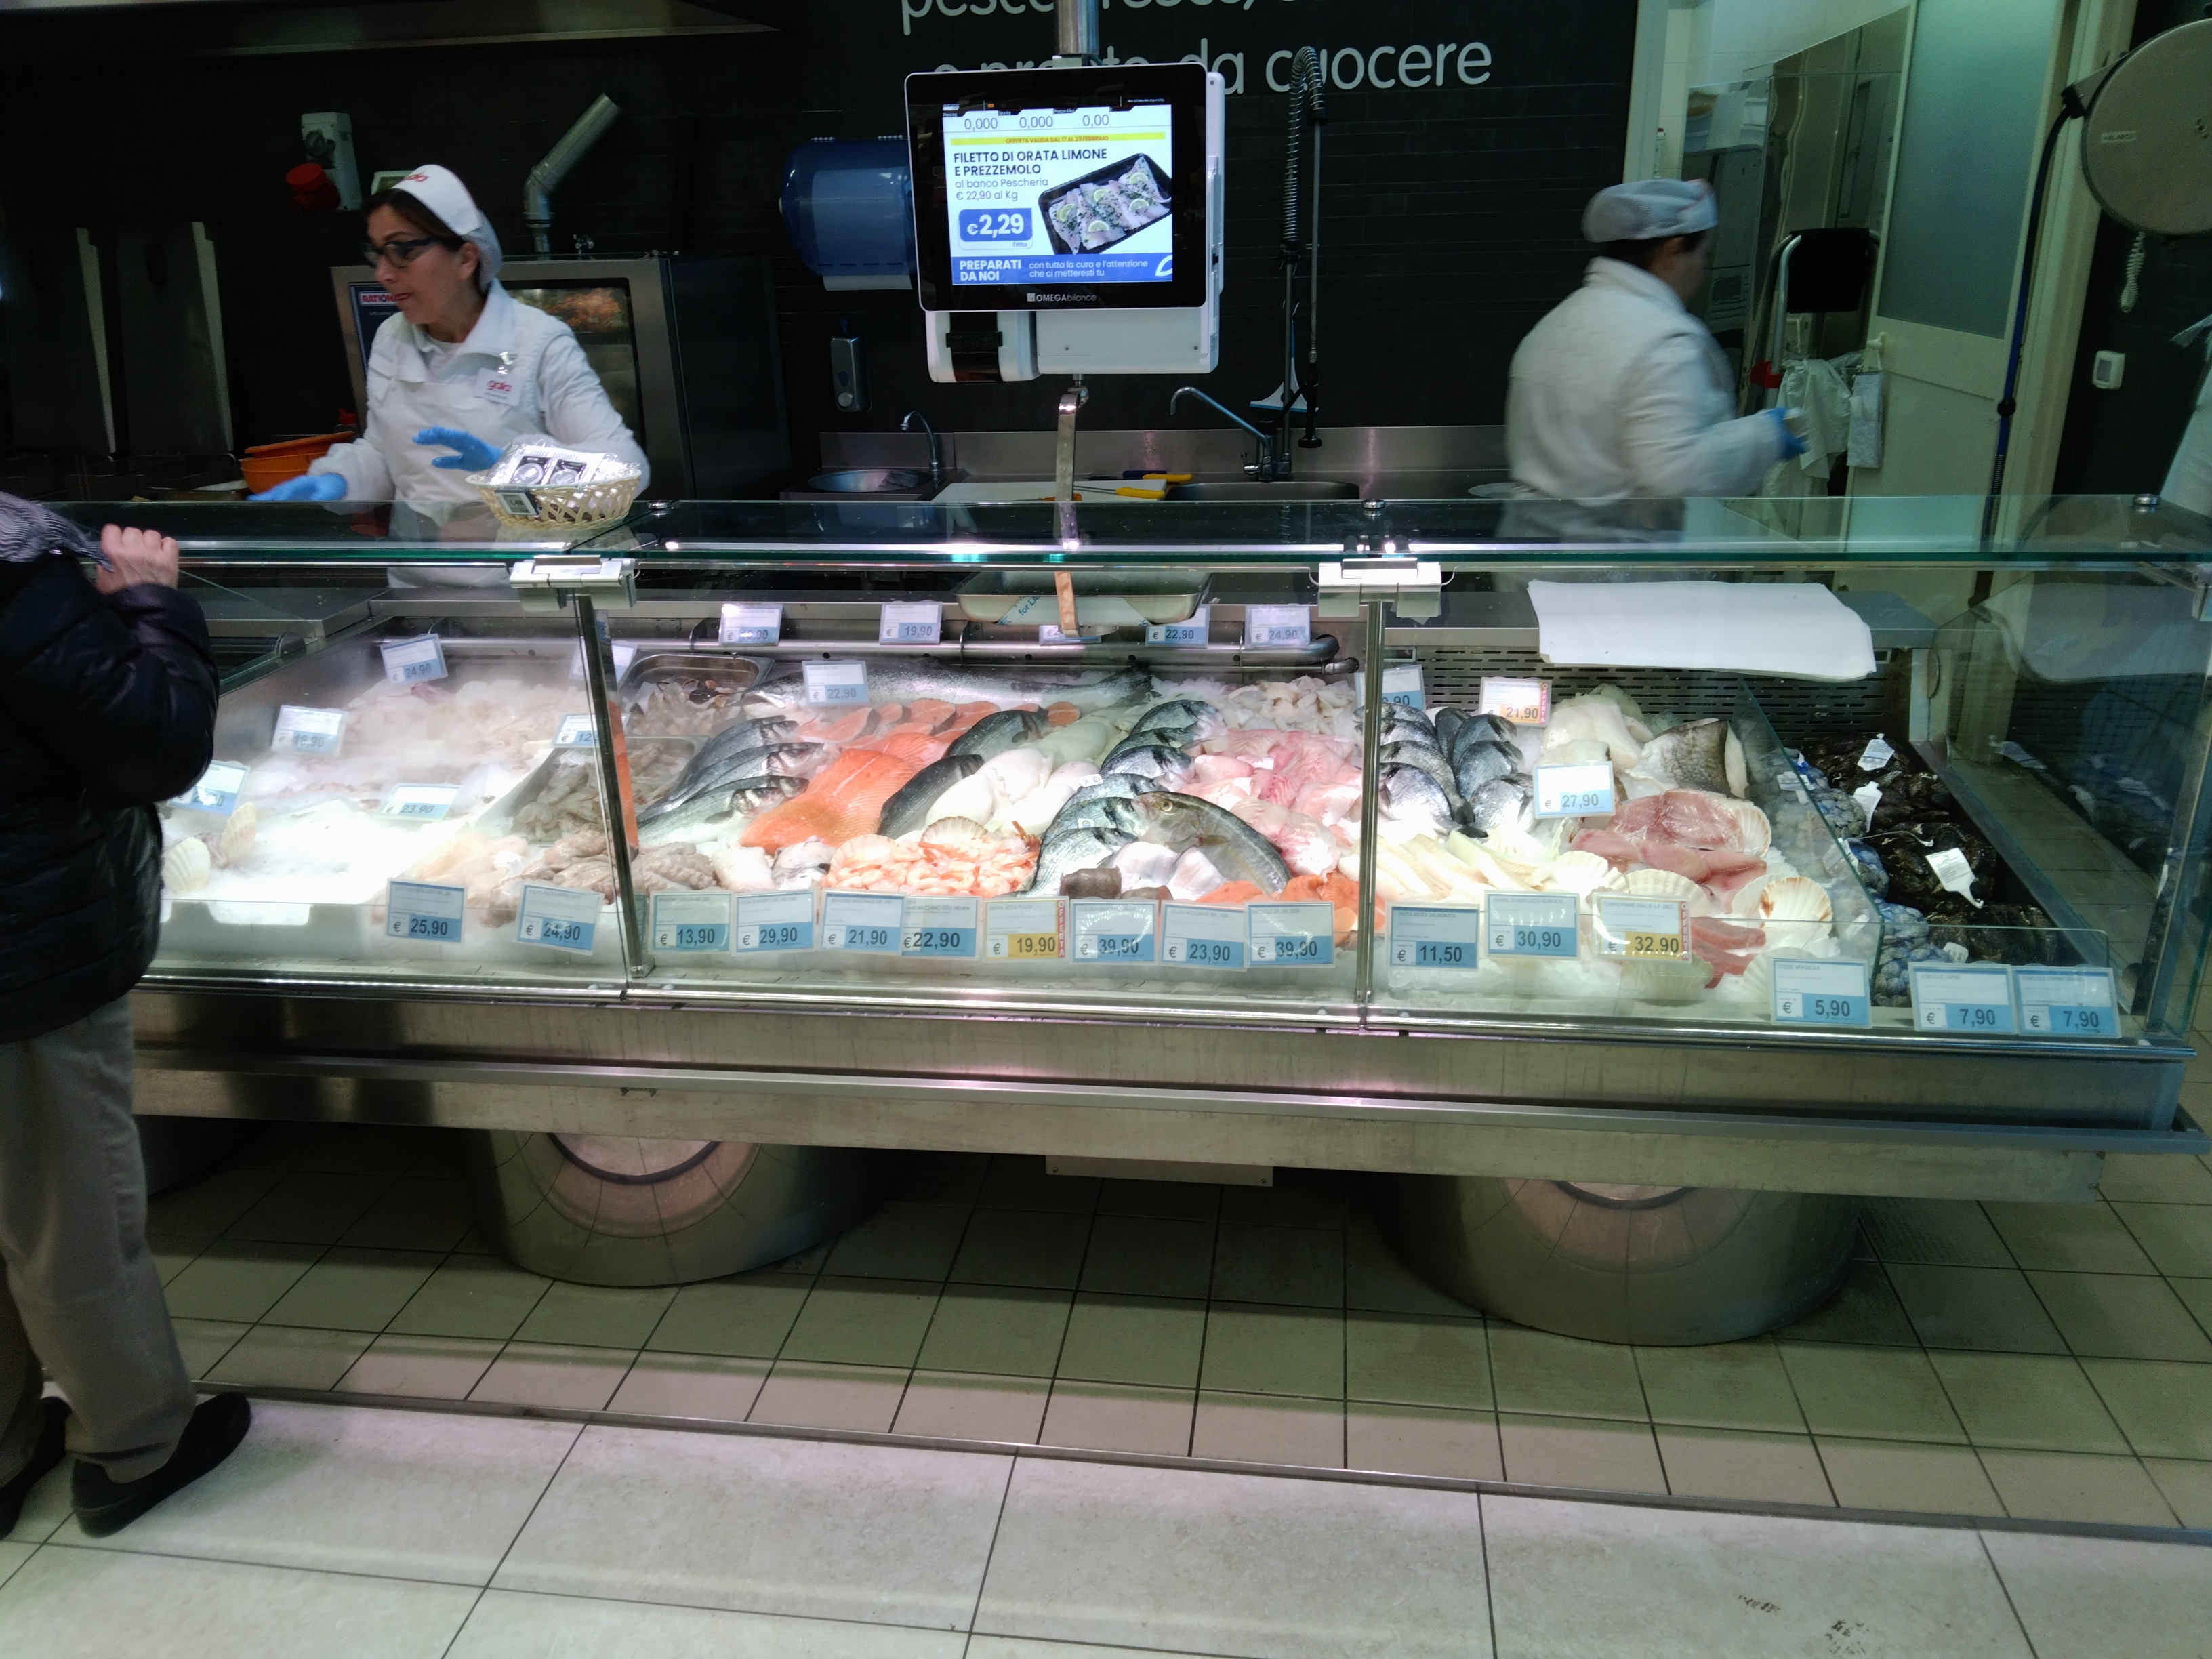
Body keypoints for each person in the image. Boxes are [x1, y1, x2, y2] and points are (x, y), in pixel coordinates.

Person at [0, 496, 250, 1538]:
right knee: (73, 1218)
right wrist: (152, 602)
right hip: (25, 953)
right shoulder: (16, 573)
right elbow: (153, 747)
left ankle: (8, 1443)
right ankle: (138, 1445)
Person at [252, 163, 647, 504]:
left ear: (466, 258)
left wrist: (515, 467)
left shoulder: (538, 340)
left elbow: (628, 468)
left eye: (402, 250)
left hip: (520, 564)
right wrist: (338, 481)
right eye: (377, 252)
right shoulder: (392, 337)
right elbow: (384, 453)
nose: (383, 274)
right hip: (420, 565)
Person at [1507, 178, 1803, 501]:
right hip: (1612, 533)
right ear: (1673, 250)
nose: (1701, 272)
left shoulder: (1551, 327)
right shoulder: (1662, 342)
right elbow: (1678, 474)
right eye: (1703, 256)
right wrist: (1767, 435)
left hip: (1534, 529)